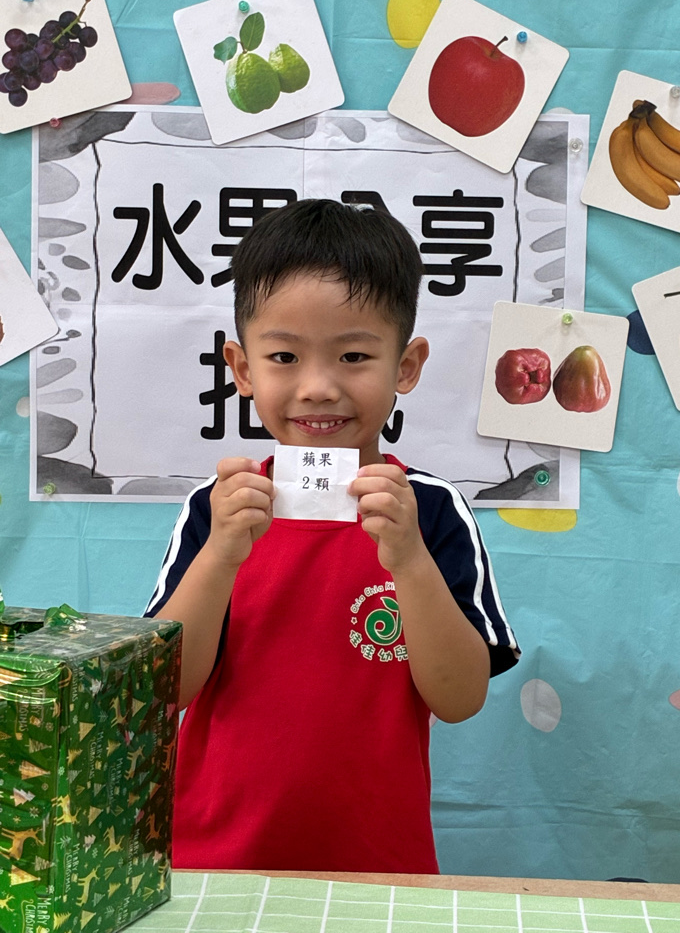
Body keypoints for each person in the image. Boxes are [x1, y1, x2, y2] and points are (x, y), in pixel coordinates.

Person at [145, 198, 519, 874]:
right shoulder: (215, 509)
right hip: (210, 861)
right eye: (284, 356)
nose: (318, 387)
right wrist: (223, 554)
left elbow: (460, 700)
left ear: (406, 366)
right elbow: (164, 691)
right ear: (242, 368)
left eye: (353, 355)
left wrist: (408, 559)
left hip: (378, 868)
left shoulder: (431, 511)